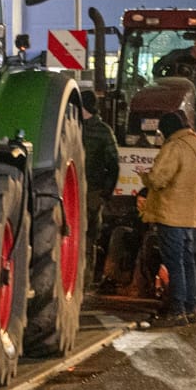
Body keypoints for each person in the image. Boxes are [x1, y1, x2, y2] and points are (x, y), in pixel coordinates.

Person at [141, 110, 196, 324]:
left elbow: (158, 179)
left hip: (171, 213)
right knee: (188, 261)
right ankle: (192, 308)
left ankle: (178, 310)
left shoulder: (174, 148)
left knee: (175, 263)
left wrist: (145, 176)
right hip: (190, 215)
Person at [79, 89, 118, 278]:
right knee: (88, 236)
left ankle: (85, 277)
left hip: (90, 190)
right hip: (93, 190)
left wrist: (105, 193)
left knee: (86, 236)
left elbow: (113, 165)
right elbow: (114, 164)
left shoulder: (76, 127)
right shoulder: (104, 131)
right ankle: (86, 277)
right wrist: (106, 193)